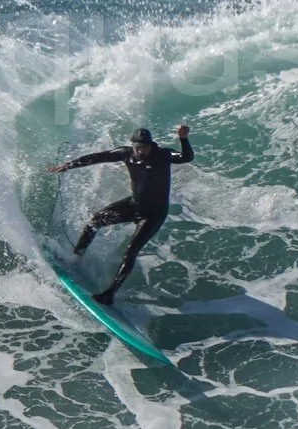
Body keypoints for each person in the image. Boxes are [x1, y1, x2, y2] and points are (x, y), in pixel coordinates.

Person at [48, 123, 194, 300]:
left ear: (151, 145)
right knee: (96, 221)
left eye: (145, 148)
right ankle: (75, 258)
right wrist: (69, 165)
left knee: (131, 251)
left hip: (154, 214)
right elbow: (98, 157)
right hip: (134, 205)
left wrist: (183, 139)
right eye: (138, 147)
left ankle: (110, 294)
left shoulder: (163, 155)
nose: (141, 151)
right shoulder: (126, 153)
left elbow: (186, 157)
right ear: (133, 145)